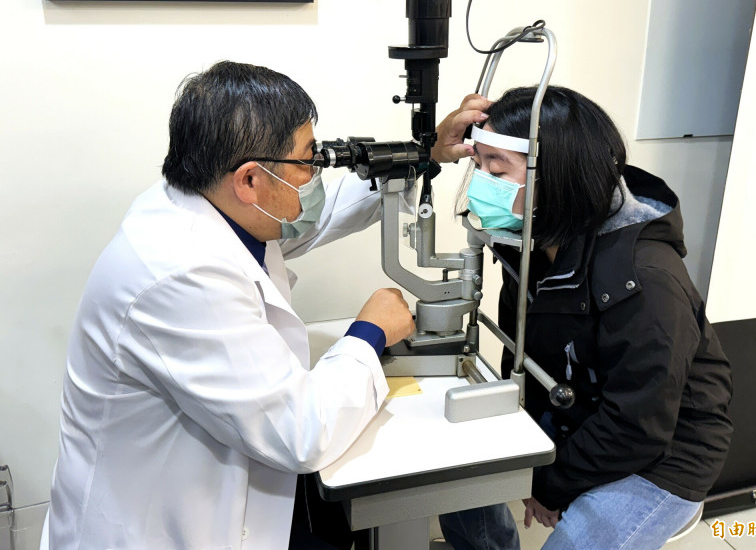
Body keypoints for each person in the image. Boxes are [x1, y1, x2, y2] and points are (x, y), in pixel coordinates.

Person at [43, 60, 472, 550]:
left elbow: (316, 213)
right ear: (249, 181)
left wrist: (425, 154)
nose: (316, 174)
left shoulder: (210, 201)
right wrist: (370, 331)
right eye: (308, 161)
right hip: (161, 529)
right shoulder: (181, 271)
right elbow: (301, 432)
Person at [436, 87, 734, 550]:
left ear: (555, 174)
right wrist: (531, 458)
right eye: (480, 165)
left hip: (663, 452)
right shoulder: (529, 245)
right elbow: (528, 357)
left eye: (498, 166)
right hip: (578, 414)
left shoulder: (644, 277)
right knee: (455, 474)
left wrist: (550, 484)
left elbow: (638, 424)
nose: (483, 182)